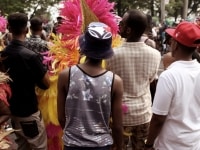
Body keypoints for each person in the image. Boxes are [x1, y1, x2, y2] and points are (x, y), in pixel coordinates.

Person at [57, 22, 123, 150]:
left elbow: (61, 117)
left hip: (72, 144)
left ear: (83, 47)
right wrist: (120, 146)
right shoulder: (115, 81)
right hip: (102, 145)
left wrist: (74, 134)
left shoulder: (66, 75)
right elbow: (117, 125)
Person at [106, 9, 161, 150]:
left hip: (119, 117)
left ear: (129, 30)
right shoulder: (155, 54)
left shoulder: (112, 55)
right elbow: (150, 81)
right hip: (143, 113)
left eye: (122, 24)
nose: (119, 26)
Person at [145, 21, 200, 150]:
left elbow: (158, 118)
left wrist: (149, 144)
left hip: (171, 144)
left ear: (175, 45)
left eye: (172, 41)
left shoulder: (169, 76)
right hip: (195, 142)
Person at [0, 13, 50, 150]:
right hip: (29, 113)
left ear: (9, 28)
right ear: (26, 30)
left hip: (13, 113)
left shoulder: (2, 55)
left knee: (22, 146)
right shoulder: (30, 56)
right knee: (38, 147)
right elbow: (46, 84)